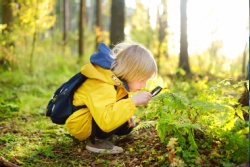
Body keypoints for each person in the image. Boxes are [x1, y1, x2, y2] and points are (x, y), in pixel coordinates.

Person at [65, 41, 157, 154]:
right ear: (130, 72)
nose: (144, 85)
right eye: (142, 80)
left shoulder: (117, 82)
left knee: (126, 125)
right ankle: (95, 141)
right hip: (81, 124)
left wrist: (126, 114)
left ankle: (100, 136)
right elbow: (106, 119)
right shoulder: (102, 84)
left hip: (96, 117)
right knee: (116, 120)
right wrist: (133, 102)